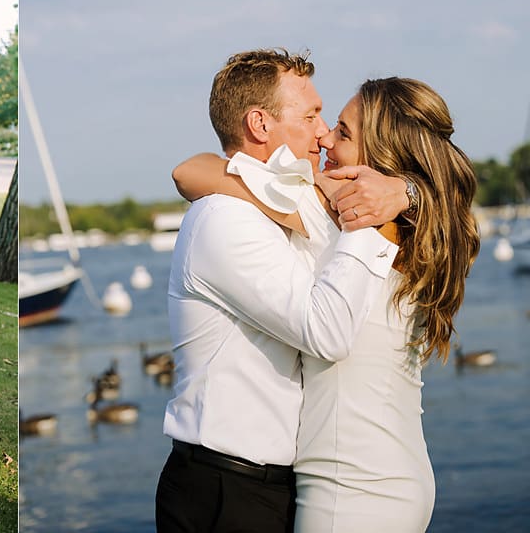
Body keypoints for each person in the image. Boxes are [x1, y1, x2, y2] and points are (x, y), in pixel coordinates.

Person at [173, 76, 479, 532]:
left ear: (379, 155)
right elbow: (194, 169)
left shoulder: (351, 222)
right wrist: (408, 192)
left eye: (342, 131)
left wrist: (388, 195)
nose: (326, 139)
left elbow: (190, 172)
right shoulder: (424, 231)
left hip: (350, 487)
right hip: (399, 474)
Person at [154, 49, 409, 533]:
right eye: (310, 115)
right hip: (225, 489)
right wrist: (367, 217)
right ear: (260, 124)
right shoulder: (225, 219)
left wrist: (403, 192)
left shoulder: (281, 199)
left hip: (274, 487)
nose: (321, 131)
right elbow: (327, 333)